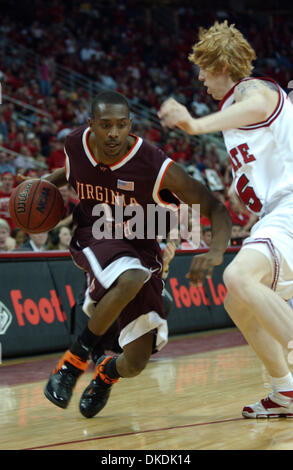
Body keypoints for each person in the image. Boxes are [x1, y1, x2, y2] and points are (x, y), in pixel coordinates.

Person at [35, 90, 231, 418]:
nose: (113, 133)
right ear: (91, 125)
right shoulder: (75, 144)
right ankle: (71, 364)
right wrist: (41, 185)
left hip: (143, 246)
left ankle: (106, 373)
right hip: (94, 234)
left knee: (137, 361)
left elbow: (214, 206)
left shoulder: (156, 166)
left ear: (130, 125)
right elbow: (71, 173)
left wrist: (216, 251)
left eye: (120, 125)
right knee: (131, 275)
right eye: (105, 125)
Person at [158, 21, 293, 419]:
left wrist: (195, 125)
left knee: (238, 277)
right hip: (277, 213)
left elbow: (260, 105)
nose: (200, 77)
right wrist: (242, 185)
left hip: (290, 210)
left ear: (221, 65)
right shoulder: (234, 107)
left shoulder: (253, 90)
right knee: (237, 302)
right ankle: (284, 390)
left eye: (203, 68)